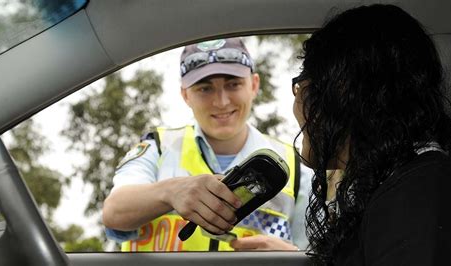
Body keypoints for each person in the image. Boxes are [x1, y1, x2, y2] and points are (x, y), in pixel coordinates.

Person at [292, 4, 451, 265]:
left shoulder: (419, 195)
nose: (296, 102)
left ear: (341, 91)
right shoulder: (390, 186)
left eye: (301, 85)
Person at [102, 37, 312, 252]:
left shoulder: (297, 166)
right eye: (204, 88)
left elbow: (315, 253)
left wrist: (291, 258)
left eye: (233, 84)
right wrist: (171, 192)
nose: (221, 101)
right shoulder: (158, 146)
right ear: (185, 95)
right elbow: (113, 212)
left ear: (254, 85)